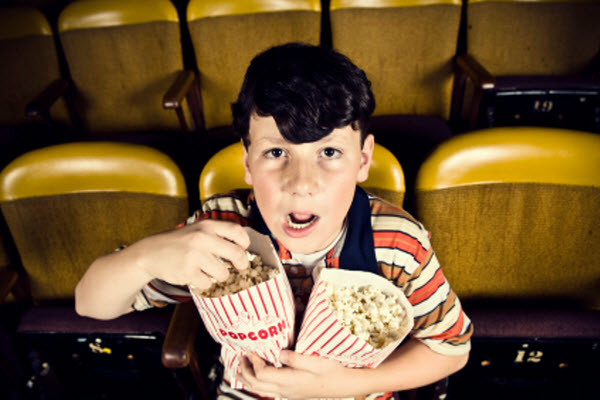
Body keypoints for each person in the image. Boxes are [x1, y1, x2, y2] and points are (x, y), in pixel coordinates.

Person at [75, 42, 472, 399]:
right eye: (277, 153)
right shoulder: (222, 229)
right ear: (248, 162)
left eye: (329, 152)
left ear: (363, 159)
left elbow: (451, 348)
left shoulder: (399, 243)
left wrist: (345, 385)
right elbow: (91, 304)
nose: (302, 184)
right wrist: (143, 258)